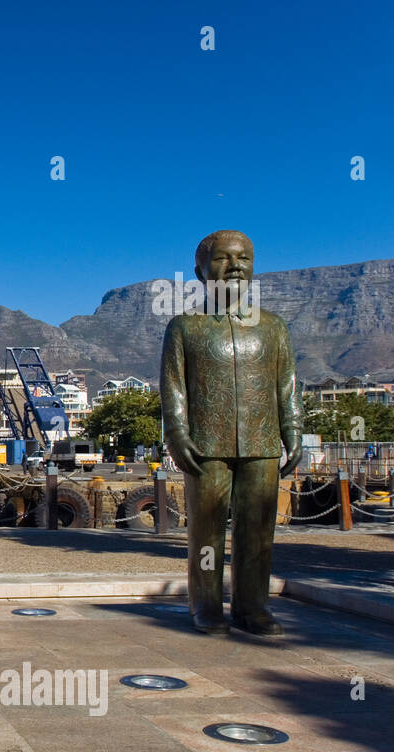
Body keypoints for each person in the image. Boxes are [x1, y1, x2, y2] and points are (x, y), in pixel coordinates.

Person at [160, 230, 302, 636]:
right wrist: (177, 434)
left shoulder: (273, 327)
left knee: (258, 530)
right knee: (206, 531)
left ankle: (253, 608)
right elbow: (173, 388)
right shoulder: (184, 327)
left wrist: (293, 429)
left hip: (262, 441)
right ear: (200, 271)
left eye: (244, 258)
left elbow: (287, 385)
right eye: (223, 258)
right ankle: (205, 605)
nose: (235, 265)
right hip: (206, 443)